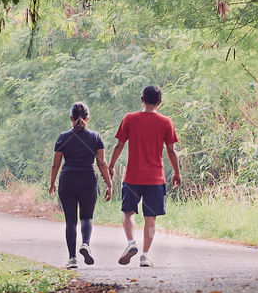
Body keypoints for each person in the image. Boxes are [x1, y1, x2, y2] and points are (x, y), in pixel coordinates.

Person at [108, 85, 181, 267]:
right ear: (159, 102)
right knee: (151, 218)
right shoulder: (166, 122)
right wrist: (177, 173)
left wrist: (110, 165)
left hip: (132, 177)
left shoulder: (130, 119)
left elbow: (119, 145)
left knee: (127, 211)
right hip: (155, 178)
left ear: (142, 100)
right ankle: (145, 256)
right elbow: (171, 150)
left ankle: (131, 243)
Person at [49, 102, 111, 268]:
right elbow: (102, 163)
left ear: (71, 118)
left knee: (70, 221)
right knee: (86, 217)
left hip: (67, 180)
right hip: (88, 180)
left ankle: (72, 259)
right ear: (87, 118)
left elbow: (55, 165)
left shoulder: (63, 137)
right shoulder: (95, 137)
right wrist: (109, 184)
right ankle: (85, 244)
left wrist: (52, 183)